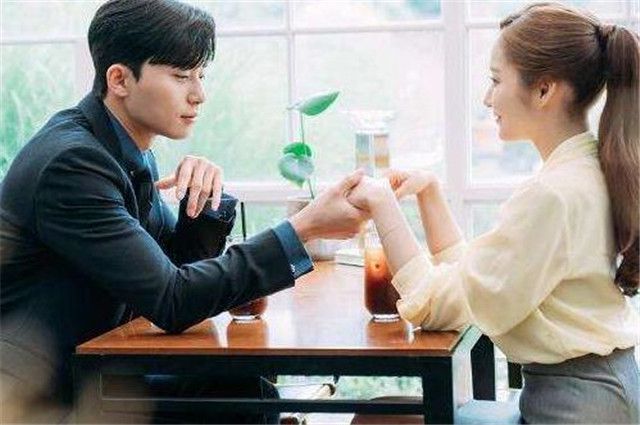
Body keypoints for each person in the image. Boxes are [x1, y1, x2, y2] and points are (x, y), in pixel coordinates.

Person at [0, 0, 368, 423]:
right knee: (241, 394)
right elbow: (173, 300)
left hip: (99, 372)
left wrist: (204, 205)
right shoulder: (73, 165)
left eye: (201, 75)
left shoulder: (121, 146)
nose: (199, 94)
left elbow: (172, 271)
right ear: (119, 79)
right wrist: (302, 228)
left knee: (242, 386)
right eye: (180, 76)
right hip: (43, 398)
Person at [347, 2, 639, 423]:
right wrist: (430, 195)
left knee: (379, 418)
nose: (487, 98)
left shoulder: (553, 195)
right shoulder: (585, 170)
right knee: (384, 414)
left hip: (576, 408)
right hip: (598, 394)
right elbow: (482, 281)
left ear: (544, 90)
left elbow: (436, 306)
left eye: (496, 80)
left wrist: (382, 205)